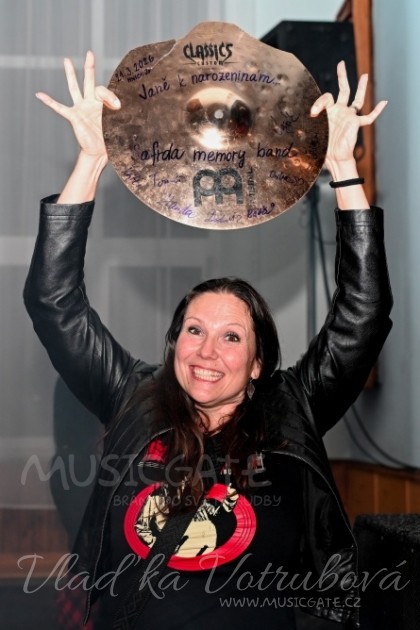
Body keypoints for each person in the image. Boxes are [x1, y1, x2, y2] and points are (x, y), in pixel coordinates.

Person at [25, 50, 392, 630]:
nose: (206, 351)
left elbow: (362, 316)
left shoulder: (291, 409)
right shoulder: (132, 395)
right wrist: (91, 162)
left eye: (231, 337)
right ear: (174, 342)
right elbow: (54, 302)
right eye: (194, 330)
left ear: (257, 363)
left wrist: (345, 171)